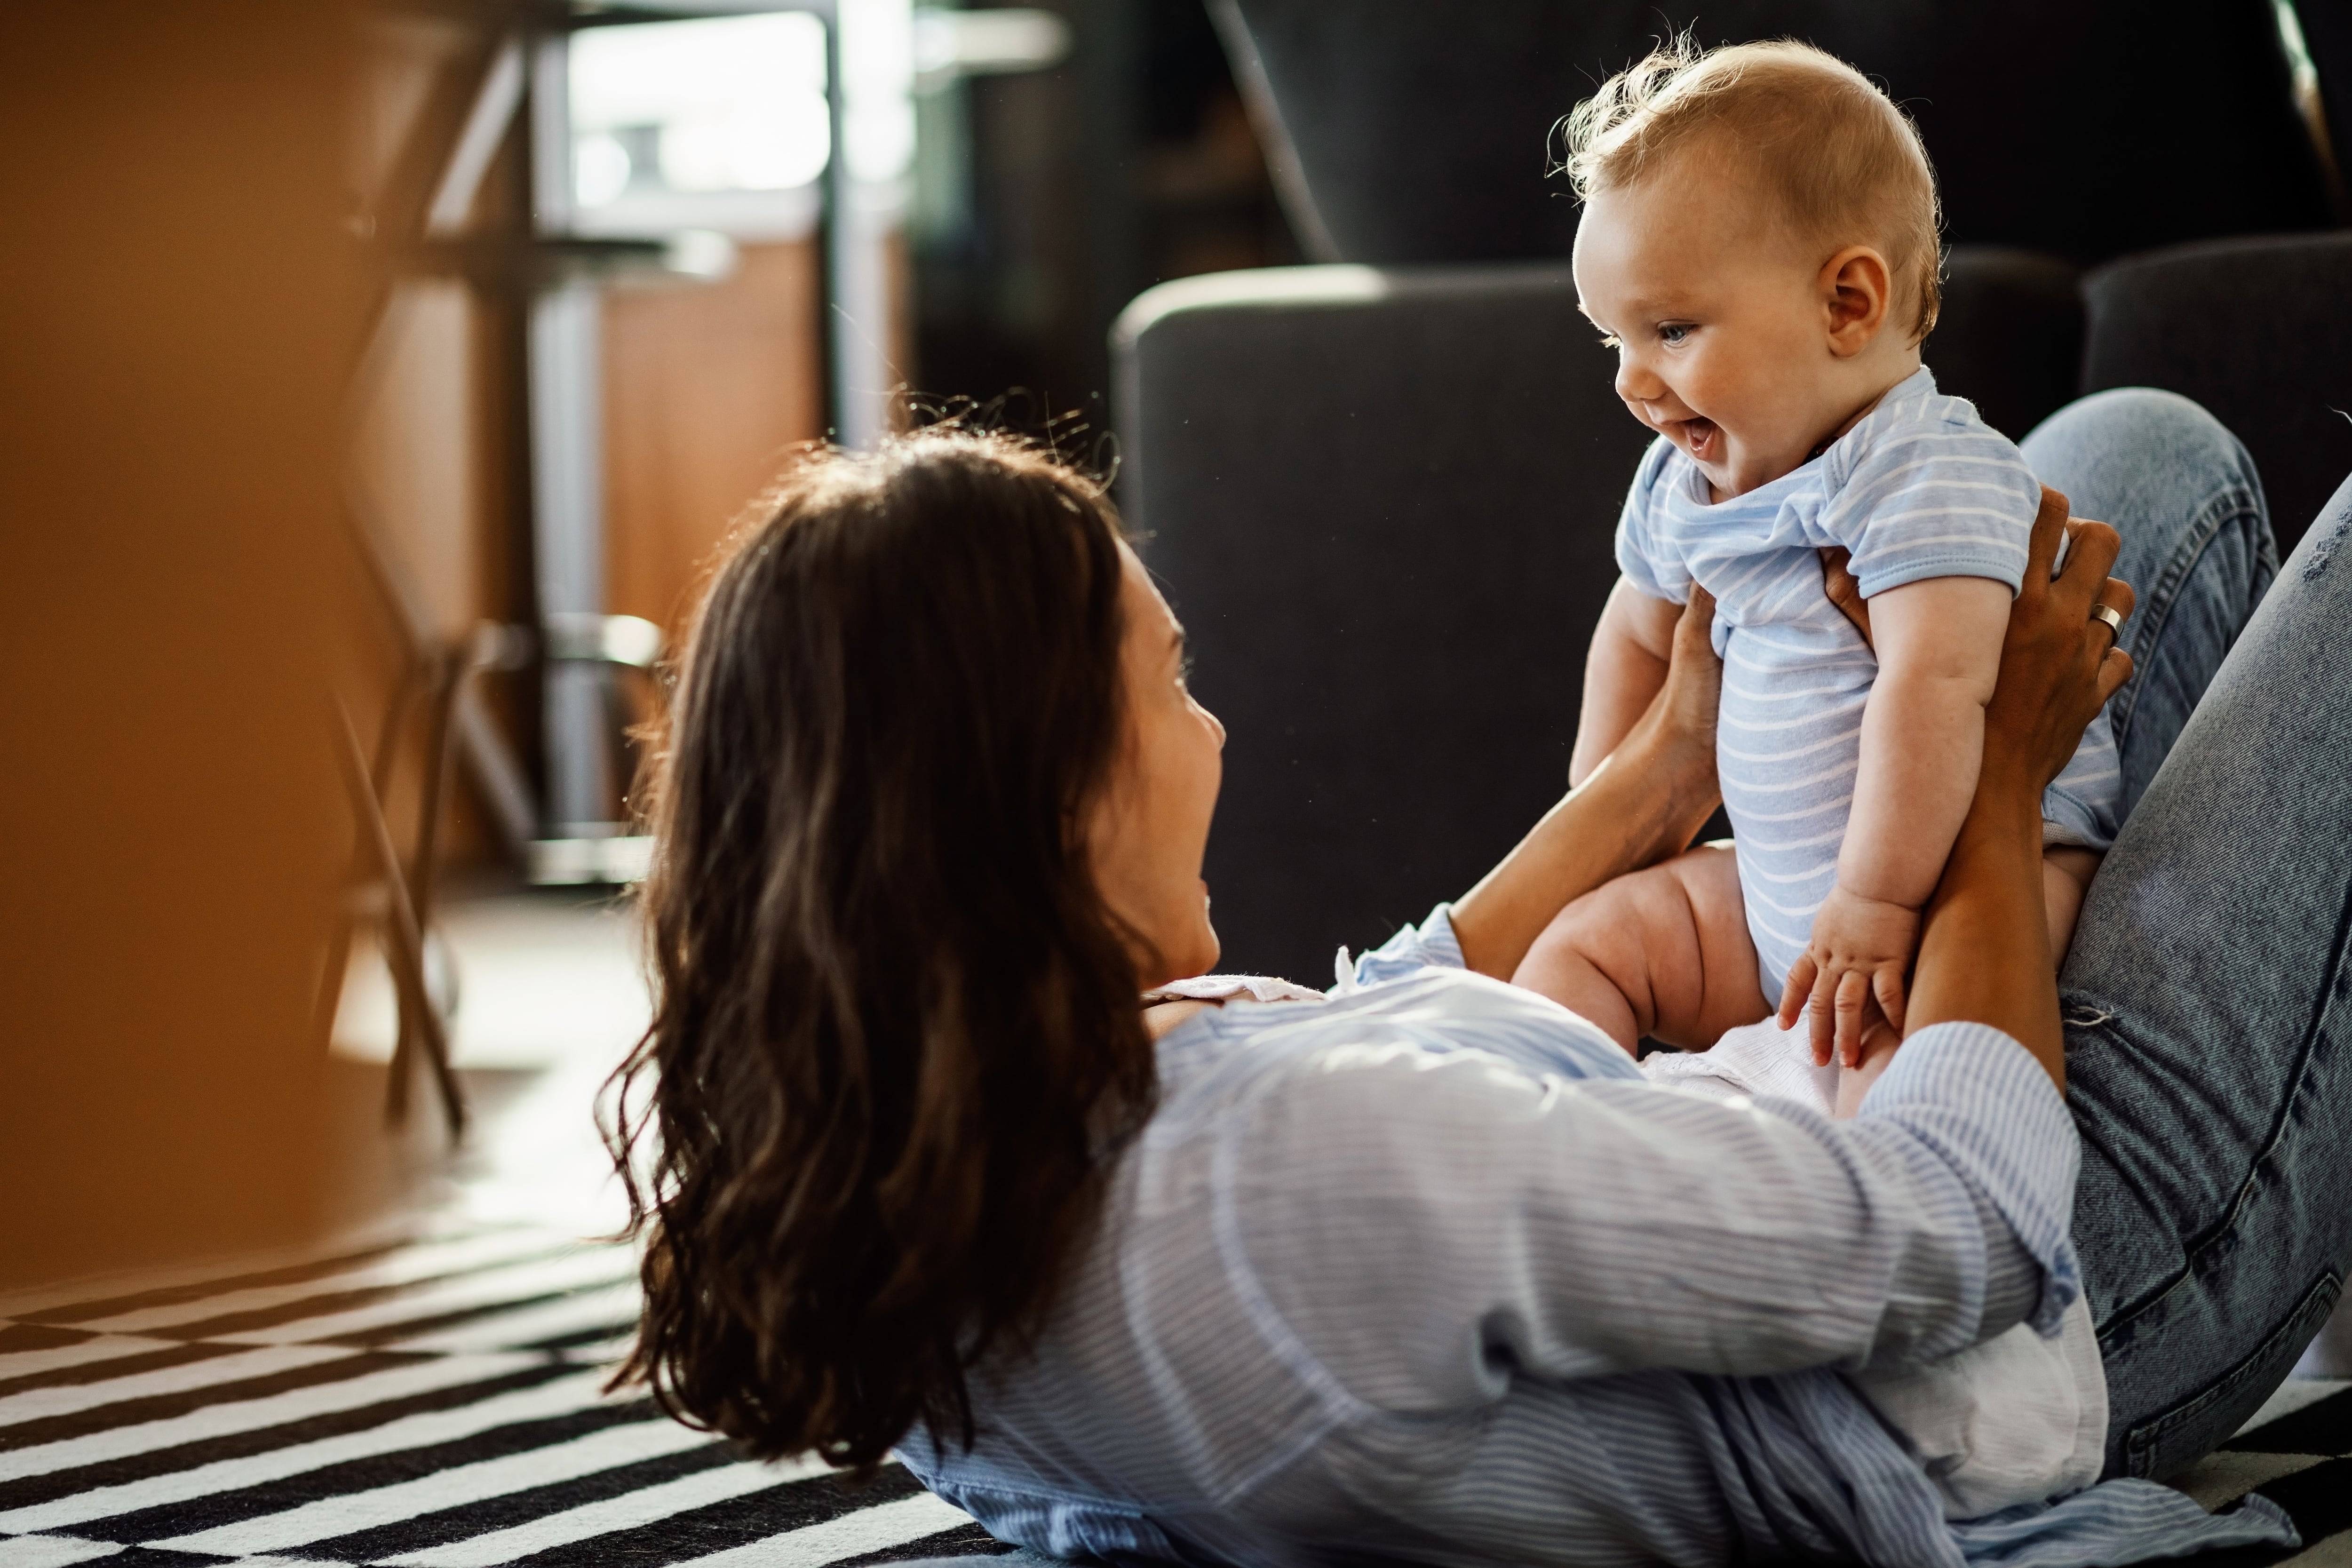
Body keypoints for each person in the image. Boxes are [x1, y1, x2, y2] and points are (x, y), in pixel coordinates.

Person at [606, 393, 2333, 1566]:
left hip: (1835, 1188)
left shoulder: (911, 1183)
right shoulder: (1298, 1184)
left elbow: (1390, 1017)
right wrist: (1989, 783)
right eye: (1171, 678)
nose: (1214, 730)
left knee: (2112, 462)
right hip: (2052, 1312)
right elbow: (1954, 1228)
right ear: (1050, 788)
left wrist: (1659, 776)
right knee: (2168, 494)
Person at [1517, 41, 2120, 1101]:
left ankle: (1851, 1196)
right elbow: (1637, 628)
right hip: (1772, 894)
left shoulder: (1920, 473)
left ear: (1846, 303)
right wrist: (1606, 808)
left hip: (1950, 887)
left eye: (1669, 329)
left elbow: (1935, 688)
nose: (1632, 381)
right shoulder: (1682, 478)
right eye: (1611, 339)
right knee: (1582, 942)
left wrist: (1880, 902)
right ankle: (1561, 1139)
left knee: (1887, 1065)